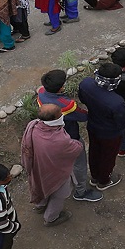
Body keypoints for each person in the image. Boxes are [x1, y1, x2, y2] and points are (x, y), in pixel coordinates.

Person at [36, 70, 102, 202]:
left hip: (48, 135)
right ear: (61, 87)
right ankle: (81, 191)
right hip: (69, 136)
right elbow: (83, 116)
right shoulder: (66, 104)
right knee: (79, 164)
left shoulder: (42, 93)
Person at [21, 103, 82, 227]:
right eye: (60, 114)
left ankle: (40, 205)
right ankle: (51, 218)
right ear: (55, 118)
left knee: (39, 186)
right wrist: (78, 142)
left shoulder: (32, 126)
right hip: (55, 173)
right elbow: (76, 149)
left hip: (36, 169)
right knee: (59, 195)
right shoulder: (60, 139)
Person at [77, 63, 125, 190]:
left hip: (93, 126)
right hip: (110, 134)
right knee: (108, 157)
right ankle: (104, 181)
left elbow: (82, 99)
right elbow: (122, 122)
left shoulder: (86, 84)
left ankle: (94, 177)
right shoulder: (117, 102)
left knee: (94, 151)